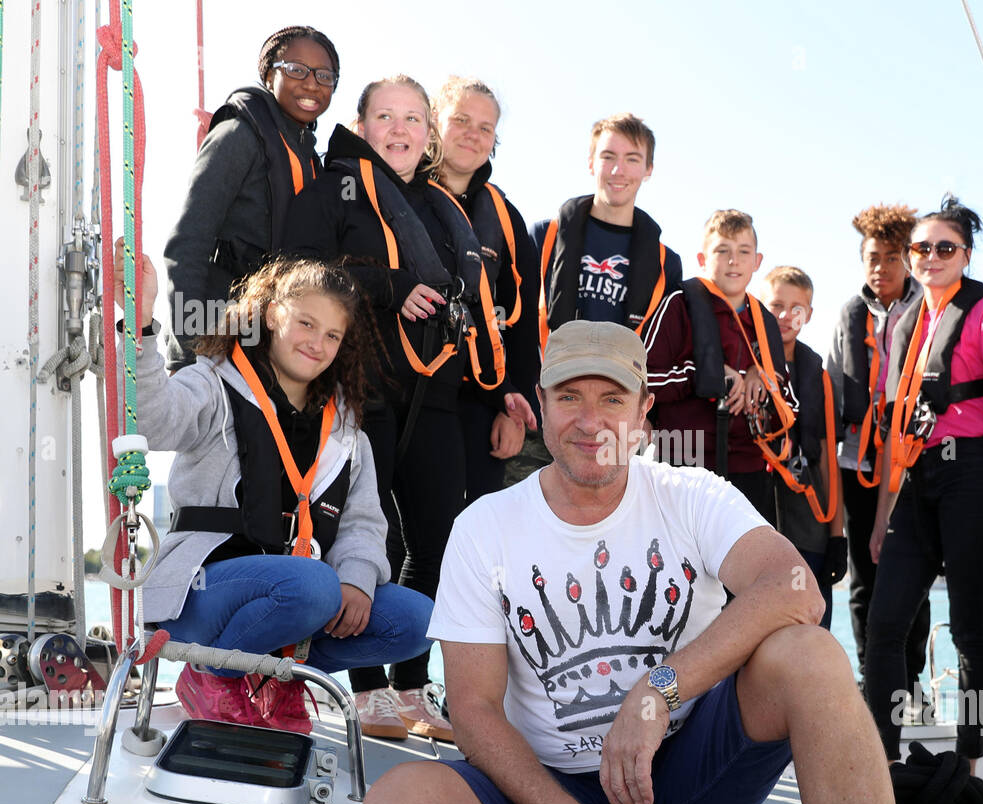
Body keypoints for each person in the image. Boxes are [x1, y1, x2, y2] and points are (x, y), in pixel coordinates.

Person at [362, 320, 906, 804]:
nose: (590, 422)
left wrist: (657, 692)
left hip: (685, 774)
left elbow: (797, 587)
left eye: (612, 399)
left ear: (644, 411)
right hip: (545, 791)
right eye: (569, 397)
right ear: (541, 404)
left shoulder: (692, 494)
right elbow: (471, 707)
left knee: (810, 653)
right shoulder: (484, 527)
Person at [284, 74, 535, 741]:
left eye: (413, 120)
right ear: (362, 125)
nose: (400, 130)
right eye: (386, 117)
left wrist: (509, 386)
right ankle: (367, 694)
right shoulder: (333, 188)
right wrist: (390, 286)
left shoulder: (436, 205)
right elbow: (295, 275)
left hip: (437, 399)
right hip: (361, 396)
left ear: (427, 134)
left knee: (438, 544)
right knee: (368, 541)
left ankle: (413, 690)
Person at [125, 242, 434, 732]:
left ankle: (281, 680)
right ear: (270, 316)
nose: (317, 342)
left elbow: (363, 524)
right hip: (201, 594)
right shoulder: (214, 384)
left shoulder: (347, 432)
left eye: (333, 334)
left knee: (416, 619)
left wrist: (357, 577)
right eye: (305, 323)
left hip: (300, 597)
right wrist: (141, 325)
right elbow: (152, 420)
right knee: (312, 585)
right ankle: (211, 675)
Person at [863, 196, 983, 769]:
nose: (932, 256)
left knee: (970, 629)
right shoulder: (905, 323)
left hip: (975, 478)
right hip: (917, 481)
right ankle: (883, 760)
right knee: (883, 626)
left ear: (964, 254)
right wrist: (885, 511)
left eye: (946, 247)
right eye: (921, 248)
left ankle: (967, 760)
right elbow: (895, 424)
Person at [505, 113, 683, 485]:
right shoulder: (545, 236)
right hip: (544, 409)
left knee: (602, 533)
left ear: (648, 169)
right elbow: (514, 323)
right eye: (608, 156)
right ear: (591, 162)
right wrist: (509, 398)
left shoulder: (666, 263)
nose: (619, 169)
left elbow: (663, 349)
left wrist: (648, 416)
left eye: (632, 158)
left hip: (615, 420)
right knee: (528, 522)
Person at [164, 25, 339, 371]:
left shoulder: (312, 160)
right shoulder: (239, 134)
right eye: (296, 69)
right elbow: (188, 243)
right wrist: (188, 354)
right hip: (217, 336)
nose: (311, 84)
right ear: (268, 74)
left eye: (324, 76)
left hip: (270, 342)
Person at [826, 205, 932, 703]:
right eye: (873, 257)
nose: (881, 268)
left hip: (910, 459)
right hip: (858, 463)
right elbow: (831, 380)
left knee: (911, 571)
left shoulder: (928, 307)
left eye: (893, 257)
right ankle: (874, 683)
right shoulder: (849, 314)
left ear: (908, 259)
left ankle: (911, 683)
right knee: (864, 578)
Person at [643, 209, 795, 524]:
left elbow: (788, 401)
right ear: (702, 258)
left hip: (748, 469)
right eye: (722, 251)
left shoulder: (764, 321)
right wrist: (705, 374)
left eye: (743, 252)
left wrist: (762, 376)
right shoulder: (678, 304)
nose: (733, 261)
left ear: (757, 260)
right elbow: (642, 380)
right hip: (683, 460)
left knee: (740, 570)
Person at [430, 76, 542, 502]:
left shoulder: (506, 218)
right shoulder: (400, 194)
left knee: (476, 531)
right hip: (404, 398)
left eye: (485, 127)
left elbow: (524, 327)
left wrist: (510, 411)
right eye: (460, 119)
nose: (472, 135)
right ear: (433, 122)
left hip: (480, 399)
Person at [757, 266, 846, 629]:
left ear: (808, 315)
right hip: (758, 516)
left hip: (810, 522)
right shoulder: (748, 363)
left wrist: (837, 535)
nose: (784, 315)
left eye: (796, 308)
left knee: (811, 625)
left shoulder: (817, 374)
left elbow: (828, 460)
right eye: (775, 305)